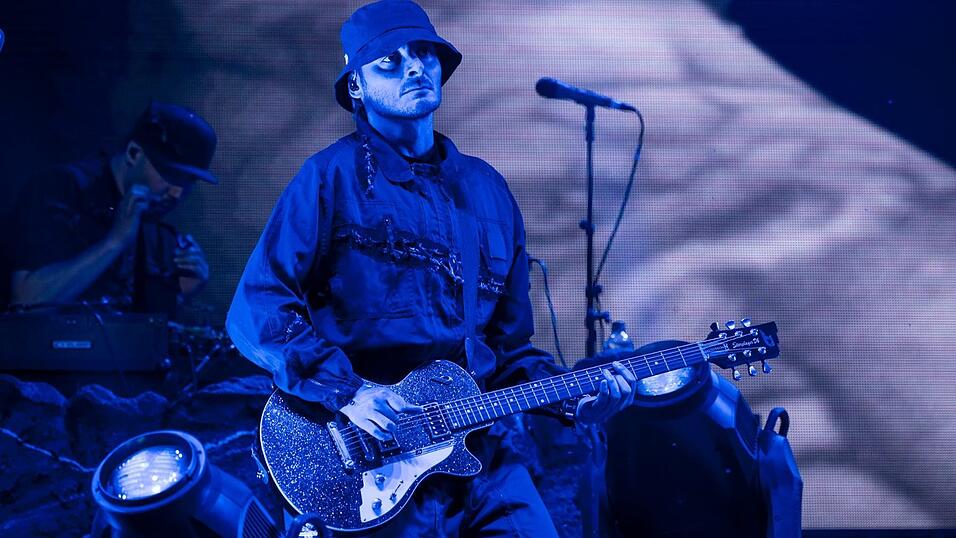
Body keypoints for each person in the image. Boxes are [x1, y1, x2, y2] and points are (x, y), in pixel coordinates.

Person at [226, 1, 638, 535]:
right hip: (364, 453)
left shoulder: (487, 191)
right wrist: (349, 392)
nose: (415, 67)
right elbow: (256, 308)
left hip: (479, 454)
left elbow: (507, 352)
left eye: (424, 53)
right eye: (389, 62)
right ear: (356, 87)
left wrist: (576, 399)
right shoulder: (329, 178)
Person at [8, 100, 217, 318]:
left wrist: (183, 291)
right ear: (134, 153)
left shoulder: (156, 225)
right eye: (171, 175)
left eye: (189, 181)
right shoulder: (61, 188)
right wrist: (114, 242)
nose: (177, 193)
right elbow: (27, 302)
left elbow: (139, 331)